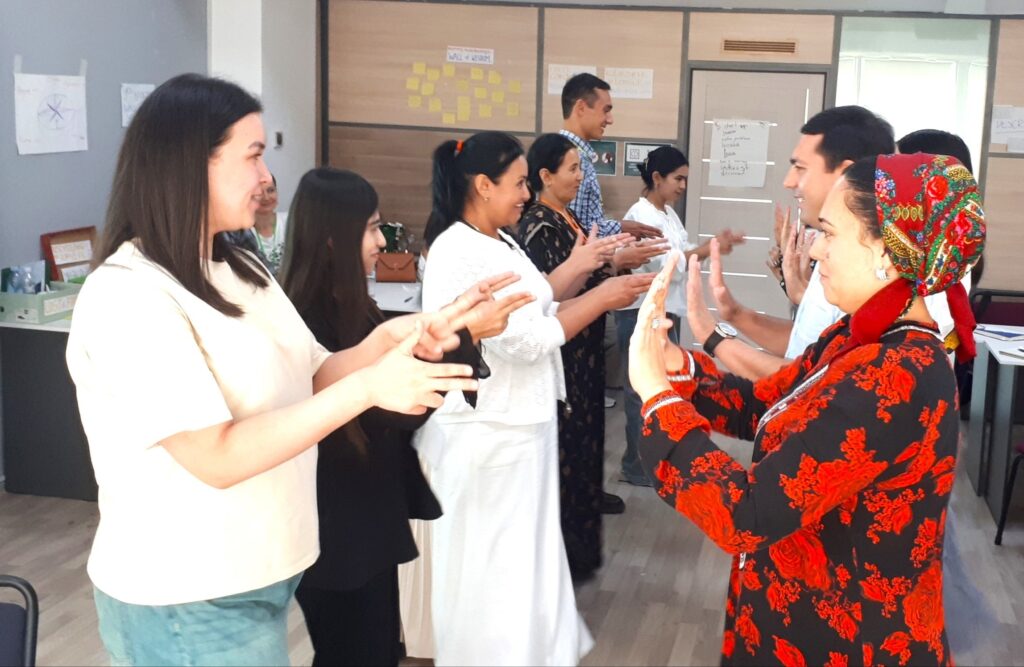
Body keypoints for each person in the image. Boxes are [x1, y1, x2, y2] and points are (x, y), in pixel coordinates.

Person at [64, 73, 496, 666]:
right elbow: (216, 456)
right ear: (191, 163)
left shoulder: (240, 266)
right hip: (187, 595)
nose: (268, 178)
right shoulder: (128, 295)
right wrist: (372, 386)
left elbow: (315, 375)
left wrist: (397, 336)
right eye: (254, 155)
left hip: (265, 571)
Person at [629, 152, 984, 666]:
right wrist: (676, 369)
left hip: (850, 640)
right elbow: (768, 403)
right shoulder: (861, 335)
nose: (815, 249)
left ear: (888, 251)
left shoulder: (896, 373)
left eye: (830, 233)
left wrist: (658, 399)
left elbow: (747, 514)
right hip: (805, 616)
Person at [278, 167, 533, 666]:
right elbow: (395, 410)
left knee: (371, 646)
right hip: (336, 525)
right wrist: (463, 334)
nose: (381, 241)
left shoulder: (350, 307)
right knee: (355, 650)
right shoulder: (309, 320)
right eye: (371, 228)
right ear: (333, 237)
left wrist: (461, 329)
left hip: (363, 517)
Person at [418, 131, 653, 665]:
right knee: (493, 567)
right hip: (490, 432)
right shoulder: (461, 249)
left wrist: (585, 265)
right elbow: (526, 339)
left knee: (525, 558)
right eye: (519, 182)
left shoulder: (497, 240)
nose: (527, 194)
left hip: (522, 423)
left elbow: (538, 296)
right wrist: (602, 296)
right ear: (482, 185)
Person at [699, 105, 895, 381]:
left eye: (800, 169)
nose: (789, 182)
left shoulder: (865, 267)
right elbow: (811, 347)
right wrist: (736, 314)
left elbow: (813, 380)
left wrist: (711, 339)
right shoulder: (831, 249)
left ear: (845, 175)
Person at [515, 133, 633, 580]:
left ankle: (579, 557)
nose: (581, 176)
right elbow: (550, 294)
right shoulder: (539, 224)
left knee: (586, 446)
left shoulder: (563, 216)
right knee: (568, 451)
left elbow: (585, 274)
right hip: (564, 348)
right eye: (572, 169)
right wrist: (605, 285)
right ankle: (561, 562)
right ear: (544, 176)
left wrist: (617, 266)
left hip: (582, 347)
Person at [615, 145, 745, 486]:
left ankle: (649, 460)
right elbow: (666, 267)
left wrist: (707, 249)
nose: (683, 186)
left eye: (686, 179)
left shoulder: (668, 214)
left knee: (663, 386)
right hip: (641, 314)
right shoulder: (641, 215)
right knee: (641, 390)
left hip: (664, 310)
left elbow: (680, 257)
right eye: (678, 178)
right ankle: (635, 465)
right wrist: (708, 248)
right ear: (657, 178)